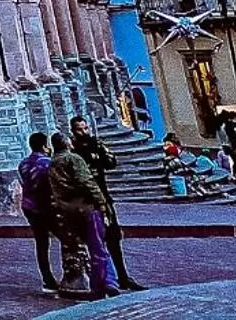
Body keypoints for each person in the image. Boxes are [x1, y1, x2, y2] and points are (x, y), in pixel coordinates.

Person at [71, 115, 144, 291]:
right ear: (73, 131)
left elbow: (111, 162)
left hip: (104, 198)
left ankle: (123, 276)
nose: (84, 132)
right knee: (94, 243)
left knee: (113, 239)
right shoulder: (73, 151)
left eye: (85, 128)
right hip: (86, 202)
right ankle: (103, 281)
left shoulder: (96, 144)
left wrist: (100, 154)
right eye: (79, 129)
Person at [48, 131, 114, 300]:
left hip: (65, 210)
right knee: (97, 247)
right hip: (84, 207)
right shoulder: (73, 159)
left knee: (79, 246)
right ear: (67, 143)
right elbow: (87, 182)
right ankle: (102, 284)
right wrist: (102, 203)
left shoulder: (53, 163)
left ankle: (100, 282)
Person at [18, 131, 58, 294]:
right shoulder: (47, 163)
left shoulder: (23, 163)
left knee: (41, 243)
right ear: (44, 146)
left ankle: (47, 278)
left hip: (29, 206)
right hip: (45, 206)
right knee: (66, 238)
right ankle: (72, 274)